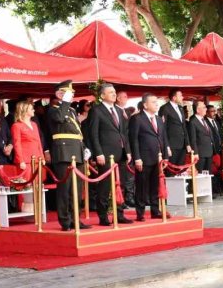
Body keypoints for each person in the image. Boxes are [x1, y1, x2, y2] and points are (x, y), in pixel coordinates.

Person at [86, 83, 133, 226]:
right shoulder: (96, 110)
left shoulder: (118, 111)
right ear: (102, 96)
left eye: (114, 92)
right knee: (105, 187)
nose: (114, 94)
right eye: (110, 92)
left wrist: (128, 151)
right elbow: (93, 134)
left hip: (121, 153)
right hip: (105, 154)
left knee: (121, 185)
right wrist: (98, 153)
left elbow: (124, 133)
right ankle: (103, 216)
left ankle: (119, 214)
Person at [47, 81, 91, 231]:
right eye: (68, 93)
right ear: (59, 94)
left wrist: (84, 148)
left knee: (76, 190)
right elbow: (59, 118)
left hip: (77, 151)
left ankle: (75, 219)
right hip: (63, 152)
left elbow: (76, 132)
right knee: (64, 189)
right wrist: (64, 101)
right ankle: (65, 221)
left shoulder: (71, 110)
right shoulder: (53, 109)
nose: (71, 95)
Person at [129, 93, 170, 222]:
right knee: (141, 185)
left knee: (155, 185)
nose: (156, 104)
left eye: (156, 102)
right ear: (145, 105)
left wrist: (165, 155)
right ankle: (140, 212)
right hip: (143, 157)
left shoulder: (158, 119)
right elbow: (133, 139)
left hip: (157, 158)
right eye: (153, 102)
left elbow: (163, 137)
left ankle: (155, 210)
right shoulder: (137, 118)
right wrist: (137, 157)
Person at [115, 90, 136, 208]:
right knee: (121, 176)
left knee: (129, 174)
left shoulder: (126, 111)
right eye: (124, 96)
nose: (127, 98)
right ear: (118, 98)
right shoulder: (115, 110)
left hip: (128, 145)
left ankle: (129, 196)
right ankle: (121, 198)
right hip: (119, 146)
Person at [159, 88, 192, 166]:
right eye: (180, 95)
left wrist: (187, 143)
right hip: (172, 144)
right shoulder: (165, 108)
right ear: (174, 97)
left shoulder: (180, 108)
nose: (182, 97)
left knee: (180, 169)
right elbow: (163, 128)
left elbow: (184, 126)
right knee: (171, 170)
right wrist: (166, 146)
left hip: (182, 144)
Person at [10, 100, 44, 174]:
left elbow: (39, 142)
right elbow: (17, 144)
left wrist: (42, 157)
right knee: (27, 184)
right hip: (26, 161)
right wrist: (21, 161)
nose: (34, 110)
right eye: (31, 109)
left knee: (38, 183)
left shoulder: (34, 124)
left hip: (37, 159)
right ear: (24, 110)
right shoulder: (17, 126)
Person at [188, 100, 214, 174]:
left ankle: (207, 186)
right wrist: (195, 153)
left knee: (208, 174)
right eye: (204, 107)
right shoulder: (193, 122)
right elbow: (193, 139)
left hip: (209, 152)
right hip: (200, 153)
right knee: (199, 174)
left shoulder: (204, 120)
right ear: (198, 110)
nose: (206, 109)